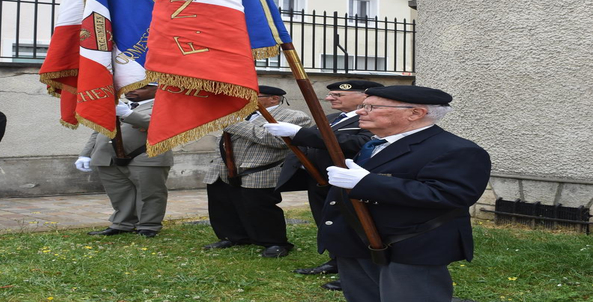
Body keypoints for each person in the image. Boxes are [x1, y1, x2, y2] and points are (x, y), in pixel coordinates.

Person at [320, 85, 491, 302]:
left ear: (415, 113)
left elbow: (450, 195)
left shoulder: (456, 149)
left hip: (409, 245)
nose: (360, 112)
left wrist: (367, 182)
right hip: (357, 240)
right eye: (362, 105)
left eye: (371, 107)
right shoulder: (375, 144)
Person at [264, 80, 383, 291]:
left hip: (348, 181)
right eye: (331, 95)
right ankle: (336, 261)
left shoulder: (374, 118)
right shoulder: (333, 118)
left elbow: (356, 143)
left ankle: (358, 270)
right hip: (319, 180)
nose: (329, 98)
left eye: (338, 95)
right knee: (326, 222)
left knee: (353, 226)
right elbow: (314, 142)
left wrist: (300, 133)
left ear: (364, 95)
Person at [203, 85, 312, 258]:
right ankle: (233, 236)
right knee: (223, 205)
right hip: (224, 169)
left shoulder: (295, 116)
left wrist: (233, 123)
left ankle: (274, 242)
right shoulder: (243, 115)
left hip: (260, 170)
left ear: (274, 99)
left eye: (254, 96)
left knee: (260, 208)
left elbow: (275, 140)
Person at [75, 83, 173, 238]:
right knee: (119, 192)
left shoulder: (166, 105)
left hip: (146, 156)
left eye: (141, 87)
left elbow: (161, 125)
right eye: (128, 86)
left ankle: (148, 226)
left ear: (156, 88)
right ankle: (122, 224)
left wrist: (128, 114)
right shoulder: (119, 105)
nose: (131, 89)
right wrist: (86, 154)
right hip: (107, 156)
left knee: (150, 193)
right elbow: (98, 129)